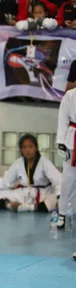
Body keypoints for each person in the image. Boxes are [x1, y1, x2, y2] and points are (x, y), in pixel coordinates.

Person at [0, 134, 60, 212]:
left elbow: (58, 181)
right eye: (24, 147)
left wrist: (59, 196)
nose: (28, 150)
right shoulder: (18, 163)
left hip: (43, 194)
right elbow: (6, 181)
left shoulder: (44, 162)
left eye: (30, 146)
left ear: (36, 148)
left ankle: (30, 207)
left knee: (57, 199)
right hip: (25, 194)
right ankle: (10, 205)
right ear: (21, 149)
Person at [56, 87, 76, 230]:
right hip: (72, 140)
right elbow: (62, 119)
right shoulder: (70, 95)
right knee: (68, 179)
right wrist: (61, 143)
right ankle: (62, 213)